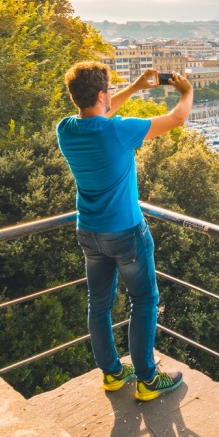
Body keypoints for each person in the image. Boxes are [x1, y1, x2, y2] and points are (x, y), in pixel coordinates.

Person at [57, 63, 193, 402]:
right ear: (102, 94)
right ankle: (148, 378)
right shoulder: (119, 131)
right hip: (127, 233)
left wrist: (133, 88)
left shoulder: (66, 130)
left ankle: (114, 374)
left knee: (99, 305)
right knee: (144, 301)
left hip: (88, 231)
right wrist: (187, 93)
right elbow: (177, 119)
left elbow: (98, 115)